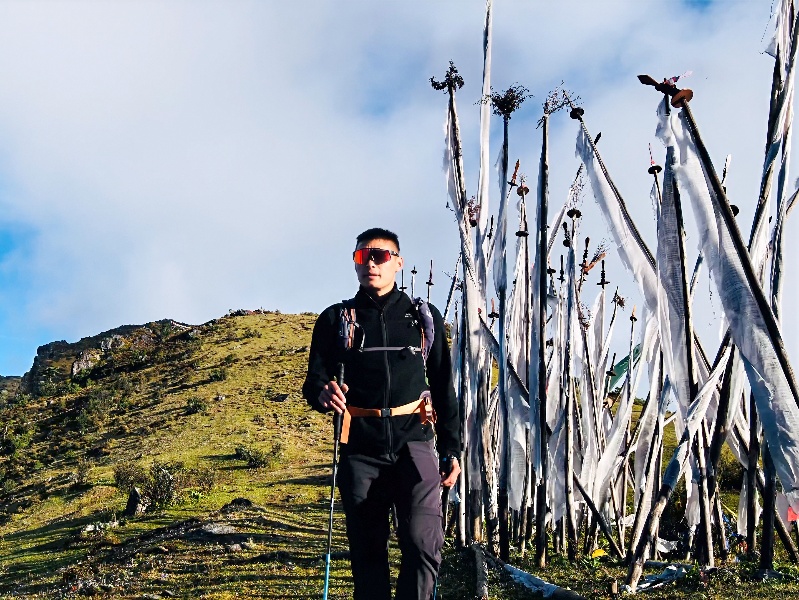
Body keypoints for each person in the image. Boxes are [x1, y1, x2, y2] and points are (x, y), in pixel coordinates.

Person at [303, 227, 461, 600]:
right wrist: (323, 394)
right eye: (362, 257)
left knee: (424, 545)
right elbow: (313, 384)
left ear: (398, 263)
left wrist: (452, 449)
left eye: (380, 256)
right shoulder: (334, 320)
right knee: (368, 554)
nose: (370, 263)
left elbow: (443, 387)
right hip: (360, 450)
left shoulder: (422, 318)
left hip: (415, 443)